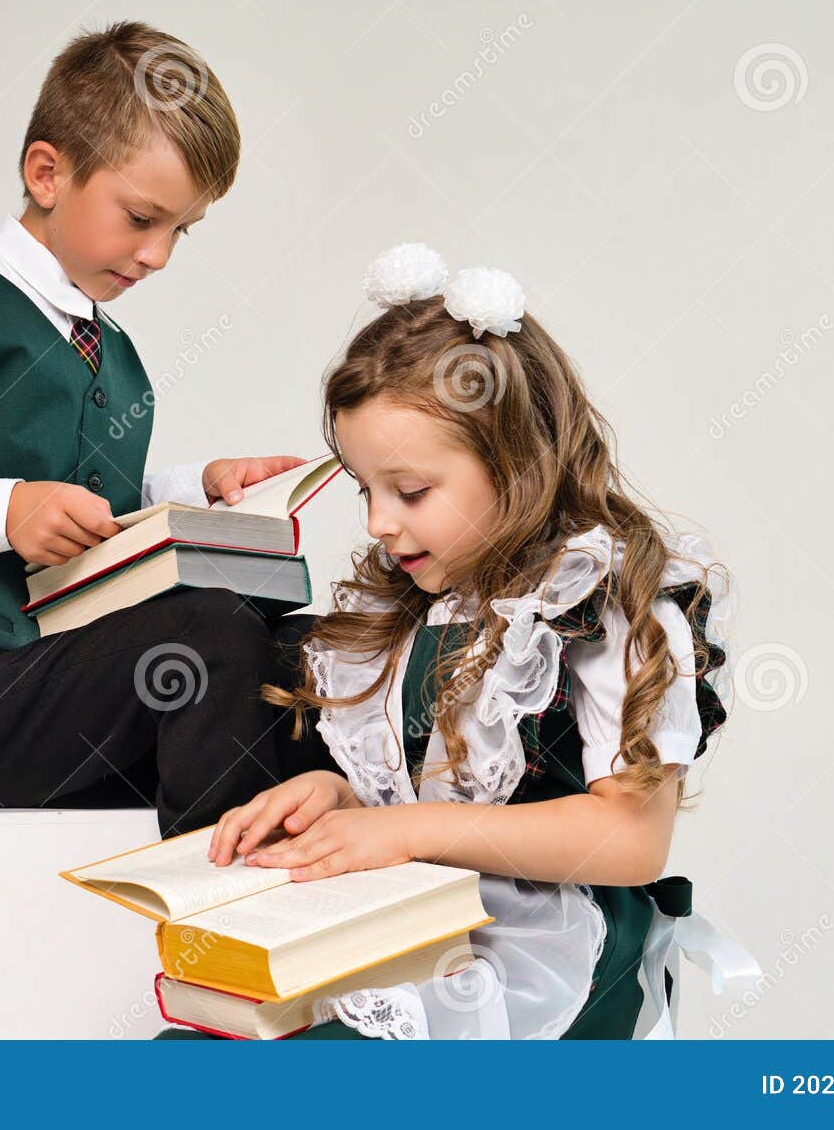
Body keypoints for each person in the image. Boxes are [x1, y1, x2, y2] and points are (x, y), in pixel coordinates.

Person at [161, 243, 757, 1039]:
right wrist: (344, 801)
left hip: (543, 950)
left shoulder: (600, 600)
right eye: (366, 488)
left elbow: (631, 839)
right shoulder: (423, 605)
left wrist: (404, 831)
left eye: (409, 490)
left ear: (517, 461)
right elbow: (431, 795)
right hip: (424, 921)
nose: (378, 521)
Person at [0, 22, 318, 835]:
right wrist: (2, 512)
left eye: (180, 231)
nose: (158, 256)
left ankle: (317, 891)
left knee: (303, 651)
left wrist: (194, 489)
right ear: (48, 173)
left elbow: (88, 496)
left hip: (95, 685)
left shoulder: (111, 348)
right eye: (142, 217)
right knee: (210, 633)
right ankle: (214, 919)